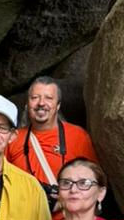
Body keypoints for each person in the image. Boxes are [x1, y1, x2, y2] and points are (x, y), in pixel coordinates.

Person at [6, 76, 98, 212]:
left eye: (48, 98)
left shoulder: (77, 136)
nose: (41, 103)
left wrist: (64, 200)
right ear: (27, 104)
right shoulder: (13, 138)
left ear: (58, 105)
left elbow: (94, 181)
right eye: (35, 97)